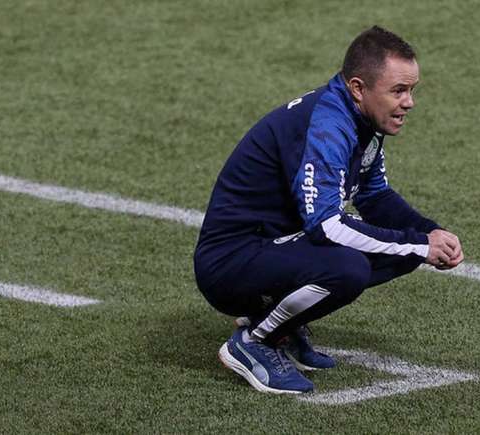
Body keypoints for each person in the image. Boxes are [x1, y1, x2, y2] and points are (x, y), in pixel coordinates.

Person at [193, 25, 463, 394]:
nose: (409, 102)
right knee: (349, 266)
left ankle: (284, 325)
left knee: (404, 248)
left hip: (273, 246)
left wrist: (430, 233)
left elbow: (373, 196)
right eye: (398, 91)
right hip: (229, 263)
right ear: (358, 87)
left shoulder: (361, 118)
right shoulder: (327, 125)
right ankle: (255, 341)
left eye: (412, 90)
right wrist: (419, 246)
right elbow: (326, 226)